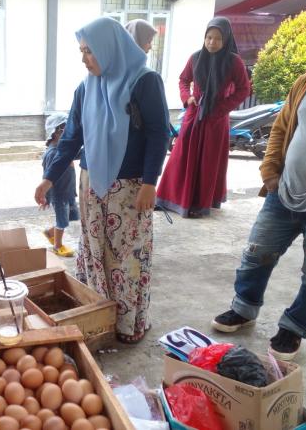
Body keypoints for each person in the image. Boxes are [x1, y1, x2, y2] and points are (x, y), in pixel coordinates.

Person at [35, 17, 170, 344]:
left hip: (131, 188)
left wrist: (151, 183)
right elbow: (70, 137)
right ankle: (98, 317)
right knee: (94, 252)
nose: (84, 59)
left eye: (89, 52)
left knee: (126, 257)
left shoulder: (144, 81)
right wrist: (48, 178)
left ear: (109, 48)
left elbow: (158, 134)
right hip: (92, 183)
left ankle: (127, 324)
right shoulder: (86, 87)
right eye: (81, 52)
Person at [212, 70, 306, 361]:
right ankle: (244, 308)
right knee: (257, 253)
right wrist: (270, 174)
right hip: (284, 191)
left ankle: (294, 326)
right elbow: (281, 127)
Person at [156, 17, 250, 218]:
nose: (212, 43)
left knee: (208, 161)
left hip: (216, 119)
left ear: (225, 40)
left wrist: (221, 107)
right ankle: (168, 199)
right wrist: (187, 97)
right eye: (208, 37)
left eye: (217, 39)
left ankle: (200, 204)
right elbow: (183, 79)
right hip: (194, 115)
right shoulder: (196, 58)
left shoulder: (234, 62)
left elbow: (243, 89)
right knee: (180, 157)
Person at [41, 112, 79, 257]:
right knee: (62, 221)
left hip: (69, 192)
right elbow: (47, 177)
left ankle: (50, 232)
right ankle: (57, 246)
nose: (70, 134)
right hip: (59, 195)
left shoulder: (64, 150)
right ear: (56, 133)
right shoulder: (51, 154)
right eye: (66, 130)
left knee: (72, 216)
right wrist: (46, 196)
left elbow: (77, 154)